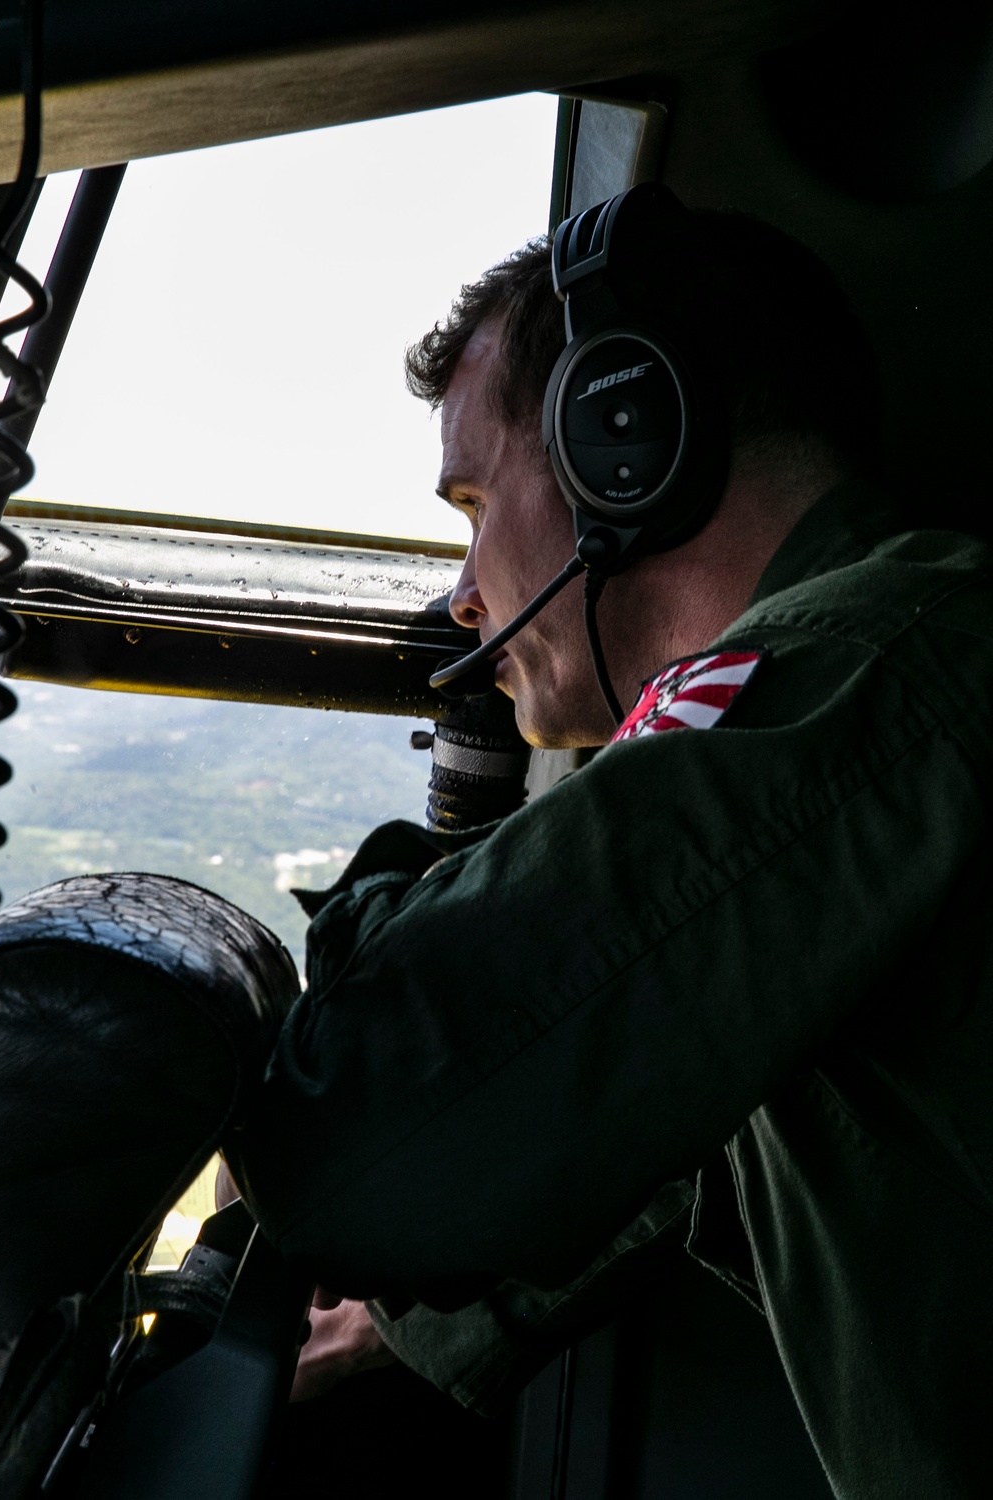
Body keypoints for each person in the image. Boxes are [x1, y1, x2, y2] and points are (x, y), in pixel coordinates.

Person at [226, 205, 993, 1499]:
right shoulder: (888, 688)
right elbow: (686, 1131)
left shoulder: (863, 672)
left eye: (475, 502)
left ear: (623, 440)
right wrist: (408, 1327)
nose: (464, 590)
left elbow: (344, 1130)